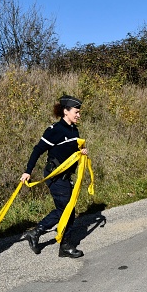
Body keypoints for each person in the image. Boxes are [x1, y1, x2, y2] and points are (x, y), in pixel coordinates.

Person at [21, 95, 88, 258]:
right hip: (55, 176)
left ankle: (36, 233)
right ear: (66, 111)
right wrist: (28, 171)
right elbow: (38, 150)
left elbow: (71, 151)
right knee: (67, 210)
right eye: (76, 112)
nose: (78, 115)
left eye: (79, 112)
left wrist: (82, 152)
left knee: (64, 209)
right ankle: (64, 245)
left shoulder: (74, 130)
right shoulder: (55, 130)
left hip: (66, 177)